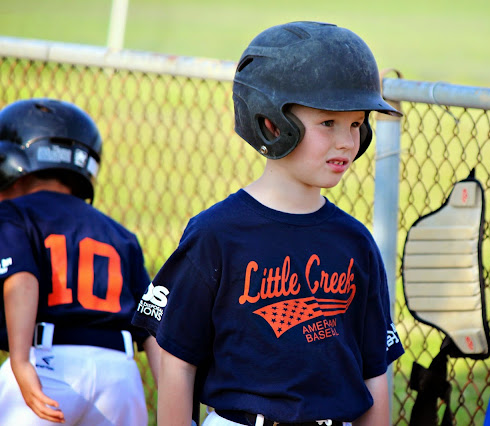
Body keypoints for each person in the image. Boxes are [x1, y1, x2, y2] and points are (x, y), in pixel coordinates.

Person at [132, 21, 404, 426]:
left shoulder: (355, 242)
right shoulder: (217, 234)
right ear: (271, 123)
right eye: (328, 123)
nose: (347, 141)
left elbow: (374, 371)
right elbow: (177, 359)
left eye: (356, 123)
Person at [0, 98, 160, 425]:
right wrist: (177, 406)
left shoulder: (12, 213)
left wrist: (20, 361)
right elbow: (154, 327)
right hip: (121, 374)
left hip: (46, 360)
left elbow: (21, 278)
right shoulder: (121, 234)